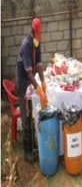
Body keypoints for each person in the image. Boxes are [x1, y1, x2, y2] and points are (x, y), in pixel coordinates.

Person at [16, 18, 48, 162]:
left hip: (31, 83)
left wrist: (43, 81)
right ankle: (27, 152)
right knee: (26, 117)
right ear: (33, 32)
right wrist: (39, 89)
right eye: (37, 34)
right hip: (23, 85)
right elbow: (29, 73)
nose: (38, 38)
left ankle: (34, 145)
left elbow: (39, 65)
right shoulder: (26, 46)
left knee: (33, 114)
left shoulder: (36, 43)